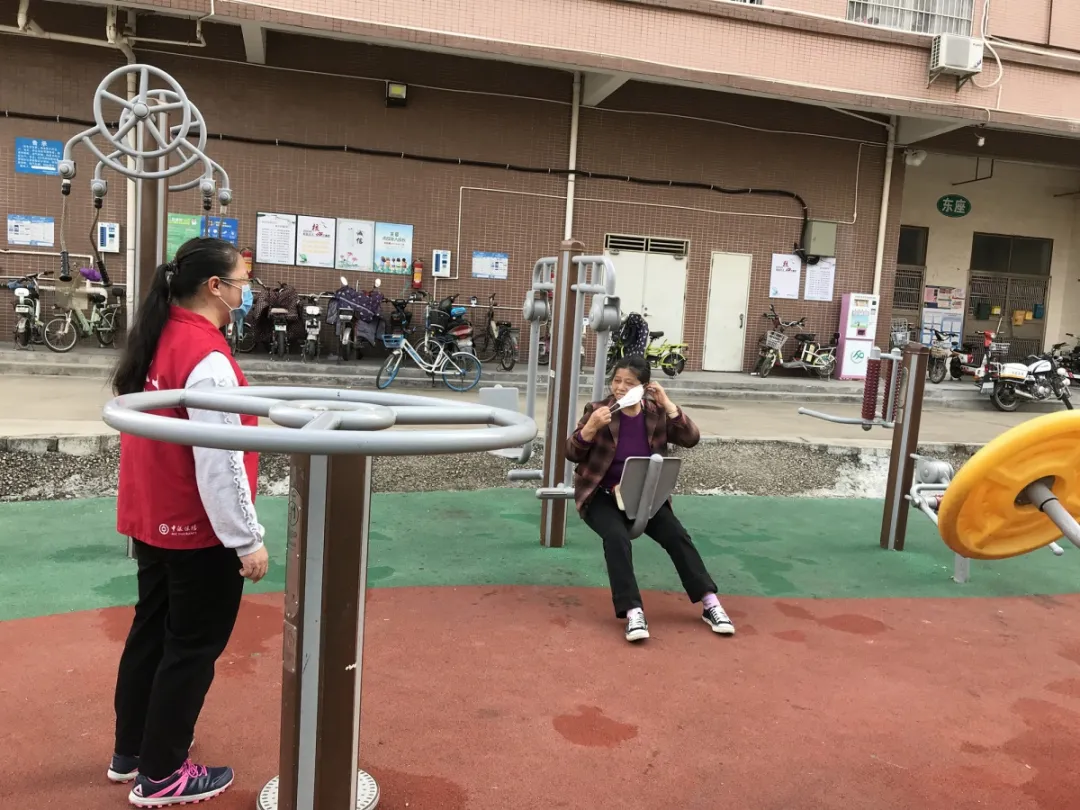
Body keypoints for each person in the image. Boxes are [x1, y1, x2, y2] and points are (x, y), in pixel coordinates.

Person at [107, 237, 269, 807]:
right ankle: (163, 774)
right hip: (196, 527)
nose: (247, 294)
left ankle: (132, 752)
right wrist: (246, 539)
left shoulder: (159, 336)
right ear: (215, 288)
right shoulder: (206, 357)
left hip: (153, 518)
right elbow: (220, 459)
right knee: (192, 648)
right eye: (242, 283)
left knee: (152, 632)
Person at [566, 354, 734, 643]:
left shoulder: (655, 413)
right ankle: (633, 611)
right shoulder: (598, 410)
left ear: (643, 387)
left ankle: (710, 603)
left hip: (644, 495)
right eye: (616, 381)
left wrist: (669, 405)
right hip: (601, 495)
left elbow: (691, 438)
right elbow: (571, 452)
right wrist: (590, 428)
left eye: (629, 383)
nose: (620, 387)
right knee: (616, 538)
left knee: (677, 535)